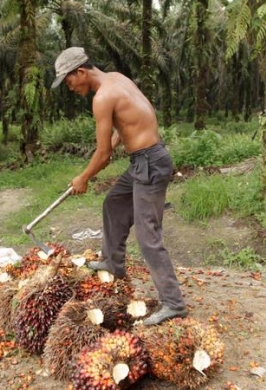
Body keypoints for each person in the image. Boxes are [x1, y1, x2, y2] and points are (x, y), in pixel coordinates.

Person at [51, 47, 188, 325]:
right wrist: (120, 140)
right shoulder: (116, 78)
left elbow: (103, 155)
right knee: (114, 203)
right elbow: (133, 118)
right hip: (146, 159)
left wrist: (83, 178)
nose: (70, 87)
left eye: (69, 81)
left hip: (149, 162)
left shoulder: (102, 97)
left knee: (148, 236)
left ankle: (173, 303)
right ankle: (113, 263)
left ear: (81, 72)